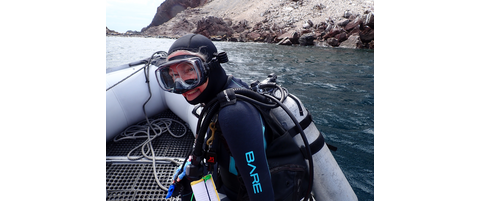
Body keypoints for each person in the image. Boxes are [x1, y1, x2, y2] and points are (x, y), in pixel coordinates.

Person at [155, 34, 308, 201]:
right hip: (232, 185)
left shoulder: (234, 114)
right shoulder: (224, 91)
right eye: (173, 76)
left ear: (211, 66)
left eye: (190, 70)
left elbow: (260, 190)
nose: (182, 85)